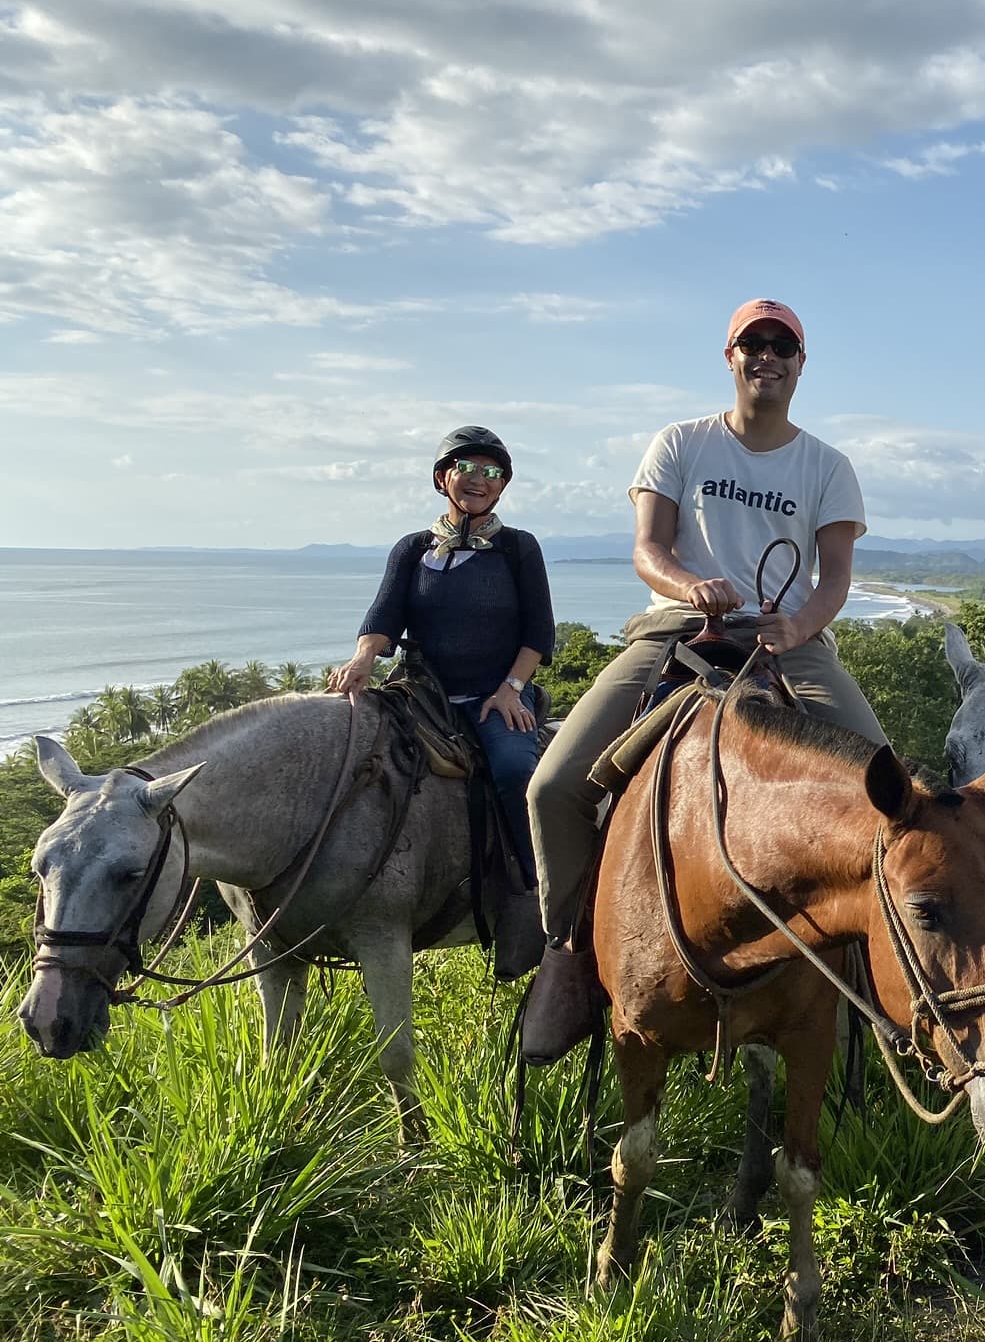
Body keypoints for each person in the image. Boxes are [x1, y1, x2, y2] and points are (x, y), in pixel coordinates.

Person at [521, 299, 887, 1057]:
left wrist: (800, 626)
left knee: (890, 797)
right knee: (553, 786)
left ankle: (876, 987)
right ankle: (572, 955)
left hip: (788, 643)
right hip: (677, 629)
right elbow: (648, 550)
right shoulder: (680, 443)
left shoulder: (826, 465)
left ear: (800, 363)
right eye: (752, 344)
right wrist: (690, 586)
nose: (767, 357)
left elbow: (835, 579)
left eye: (782, 345)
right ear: (730, 357)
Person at [329, 426, 555, 977]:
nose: (479, 480)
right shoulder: (412, 549)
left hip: (493, 696)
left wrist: (511, 689)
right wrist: (363, 658)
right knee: (354, 752)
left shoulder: (517, 547)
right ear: (442, 478)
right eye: (467, 469)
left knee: (512, 771)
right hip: (422, 694)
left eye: (492, 472)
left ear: (502, 488)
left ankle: (534, 895)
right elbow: (384, 616)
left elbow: (539, 633)